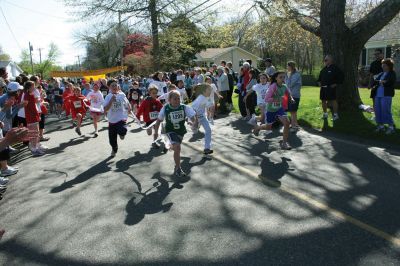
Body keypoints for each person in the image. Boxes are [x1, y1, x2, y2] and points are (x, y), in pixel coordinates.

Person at [154, 91, 196, 177]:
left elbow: (193, 118)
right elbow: (158, 121)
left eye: (178, 98)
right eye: (175, 99)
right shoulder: (165, 108)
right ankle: (178, 168)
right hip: (169, 130)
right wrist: (155, 132)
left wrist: (194, 123)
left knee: (176, 147)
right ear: (169, 100)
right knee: (177, 147)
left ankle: (168, 145)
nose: (177, 100)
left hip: (180, 131)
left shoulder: (184, 107)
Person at [253, 72, 295, 150]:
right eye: (280, 77)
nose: (282, 79)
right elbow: (266, 99)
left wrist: (291, 99)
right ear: (276, 78)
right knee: (268, 127)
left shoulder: (284, 86)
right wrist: (277, 99)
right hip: (271, 110)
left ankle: (284, 143)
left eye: (283, 77)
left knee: (287, 123)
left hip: (279, 109)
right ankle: (258, 128)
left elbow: (288, 93)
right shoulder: (273, 87)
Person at [103, 80, 131, 157]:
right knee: (112, 140)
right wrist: (111, 101)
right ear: (109, 87)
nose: (114, 87)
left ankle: (122, 133)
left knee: (122, 130)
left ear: (118, 86)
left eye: (116, 85)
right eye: (112, 86)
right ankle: (114, 149)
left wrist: (129, 108)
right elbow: (106, 109)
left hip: (121, 118)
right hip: (112, 121)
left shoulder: (122, 95)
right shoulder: (108, 97)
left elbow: (127, 103)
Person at [371, 58, 397, 134]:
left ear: (389, 66)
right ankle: (381, 126)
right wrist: (381, 82)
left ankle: (391, 127)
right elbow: (375, 81)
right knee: (378, 111)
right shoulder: (382, 73)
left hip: (386, 95)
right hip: (377, 95)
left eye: (385, 65)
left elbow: (390, 82)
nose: (383, 66)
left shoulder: (392, 73)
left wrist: (383, 82)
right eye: (382, 65)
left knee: (386, 110)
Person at [318, 55, 344, 121]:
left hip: (331, 88)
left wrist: (335, 84)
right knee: (323, 101)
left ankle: (335, 115)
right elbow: (319, 78)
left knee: (333, 101)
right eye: (324, 60)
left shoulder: (335, 68)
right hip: (323, 88)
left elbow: (341, 76)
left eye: (326, 60)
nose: (325, 61)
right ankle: (325, 114)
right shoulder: (323, 69)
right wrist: (319, 83)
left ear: (330, 60)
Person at [23, 81, 44, 156]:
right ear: (29, 87)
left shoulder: (30, 94)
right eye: (33, 86)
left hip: (34, 115)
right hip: (31, 117)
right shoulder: (27, 95)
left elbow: (33, 106)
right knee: (34, 133)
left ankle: (36, 147)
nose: (34, 87)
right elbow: (27, 106)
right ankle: (34, 149)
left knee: (36, 132)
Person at [191, 84, 214, 154]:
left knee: (208, 130)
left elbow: (208, 105)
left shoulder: (205, 97)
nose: (210, 91)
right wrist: (195, 120)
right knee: (195, 131)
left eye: (211, 90)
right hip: (194, 117)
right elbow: (193, 108)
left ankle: (207, 148)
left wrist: (209, 111)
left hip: (202, 117)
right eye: (209, 90)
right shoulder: (201, 98)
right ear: (204, 91)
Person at [285, 61, 302, 132]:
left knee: (292, 111)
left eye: (287, 66)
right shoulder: (291, 74)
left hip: (295, 95)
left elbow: (289, 84)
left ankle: (293, 126)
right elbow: (287, 84)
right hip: (291, 95)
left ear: (291, 66)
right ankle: (296, 124)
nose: (287, 67)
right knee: (294, 111)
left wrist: (286, 76)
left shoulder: (296, 74)